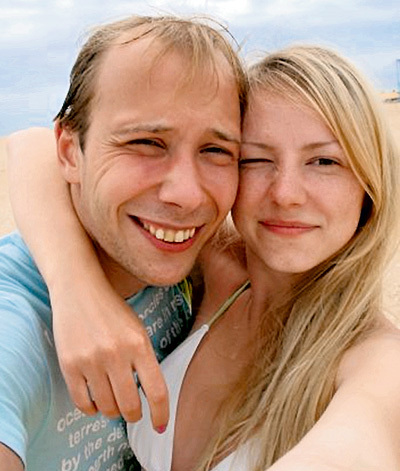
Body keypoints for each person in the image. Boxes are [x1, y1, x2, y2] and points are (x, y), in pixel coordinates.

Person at [7, 46, 400, 470]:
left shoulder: (376, 359)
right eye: (256, 159)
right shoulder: (218, 267)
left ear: (370, 182)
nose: (286, 194)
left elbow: (361, 441)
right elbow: (34, 148)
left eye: (324, 161)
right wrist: (78, 292)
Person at [0, 14, 248, 471]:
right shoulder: (14, 330)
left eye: (215, 151)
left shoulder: (198, 257)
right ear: (70, 152)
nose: (187, 195)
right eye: (146, 142)